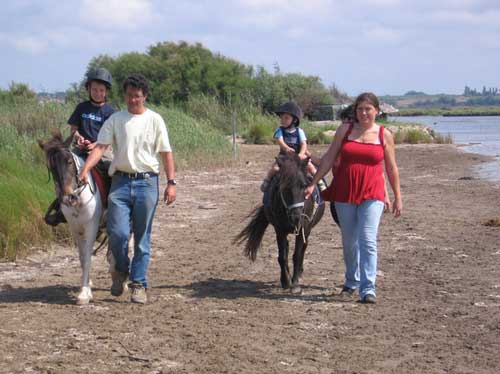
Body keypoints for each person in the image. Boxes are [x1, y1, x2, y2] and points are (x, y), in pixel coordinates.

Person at [79, 74, 177, 304]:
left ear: (145, 96)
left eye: (137, 96)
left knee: (142, 237)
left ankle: (139, 284)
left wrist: (171, 183)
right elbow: (101, 147)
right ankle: (121, 270)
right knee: (118, 233)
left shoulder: (155, 120)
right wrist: (84, 170)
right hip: (120, 183)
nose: (133, 100)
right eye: (129, 96)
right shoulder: (115, 119)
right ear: (124, 96)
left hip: (147, 183)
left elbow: (166, 153)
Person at [304, 92, 402, 304]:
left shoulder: (384, 135)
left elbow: (392, 168)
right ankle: (351, 281)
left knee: (367, 239)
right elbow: (329, 158)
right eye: (360, 109)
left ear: (377, 110)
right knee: (349, 241)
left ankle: (368, 288)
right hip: (345, 191)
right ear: (355, 111)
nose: (364, 113)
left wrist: (397, 197)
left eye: (368, 109)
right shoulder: (345, 130)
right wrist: (313, 184)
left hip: (372, 191)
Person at [44, 67, 115, 226]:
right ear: (88, 89)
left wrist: (96, 144)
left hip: (102, 150)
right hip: (81, 149)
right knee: (64, 168)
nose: (98, 93)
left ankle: (111, 207)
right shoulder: (82, 107)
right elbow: (74, 129)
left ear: (106, 91)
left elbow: (111, 136)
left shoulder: (110, 111)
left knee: (112, 171)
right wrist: (79, 138)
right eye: (94, 89)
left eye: (101, 90)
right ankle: (61, 207)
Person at [260, 101, 326, 192]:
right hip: (285, 156)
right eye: (282, 118)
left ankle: (319, 182)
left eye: (286, 118)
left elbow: (304, 144)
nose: (283, 120)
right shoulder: (280, 130)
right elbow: (280, 141)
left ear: (294, 120)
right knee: (275, 168)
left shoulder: (299, 131)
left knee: (310, 167)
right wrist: (286, 148)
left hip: (298, 156)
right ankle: (267, 180)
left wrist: (302, 153)